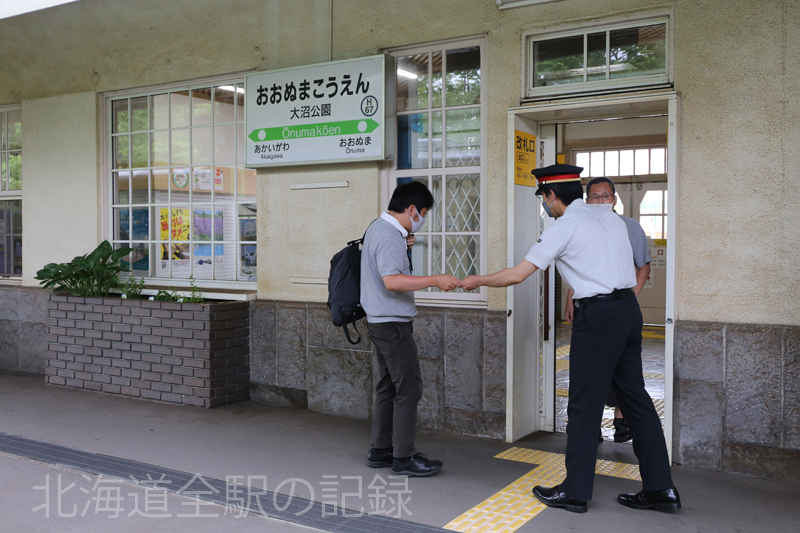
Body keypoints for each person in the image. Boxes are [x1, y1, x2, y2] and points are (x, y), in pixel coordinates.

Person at [458, 164, 679, 513]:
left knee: (583, 404)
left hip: (599, 319)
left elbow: (518, 274)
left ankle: (574, 491)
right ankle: (661, 489)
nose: (545, 205)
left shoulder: (564, 226)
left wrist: (477, 281)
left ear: (550, 196)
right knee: (637, 401)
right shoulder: (611, 219)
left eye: (544, 199)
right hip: (627, 313)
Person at [361, 181, 459, 477]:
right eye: (424, 212)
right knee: (409, 388)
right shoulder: (389, 235)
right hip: (392, 324)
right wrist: (435, 279)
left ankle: (381, 450)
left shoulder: (378, 228)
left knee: (389, 387)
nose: (424, 219)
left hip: (380, 320)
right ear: (412, 209)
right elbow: (392, 281)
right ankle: (403, 457)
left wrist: (404, 244)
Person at [564, 176, 652, 443]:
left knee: (623, 371)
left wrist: (630, 296)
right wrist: (571, 297)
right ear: (586, 200)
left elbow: (643, 265)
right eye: (595, 197)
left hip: (620, 308)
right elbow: (584, 269)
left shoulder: (629, 226)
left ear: (614, 199)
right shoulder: (582, 225)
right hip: (591, 307)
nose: (601, 201)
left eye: (605, 196)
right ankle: (589, 428)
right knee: (589, 372)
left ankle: (621, 420)